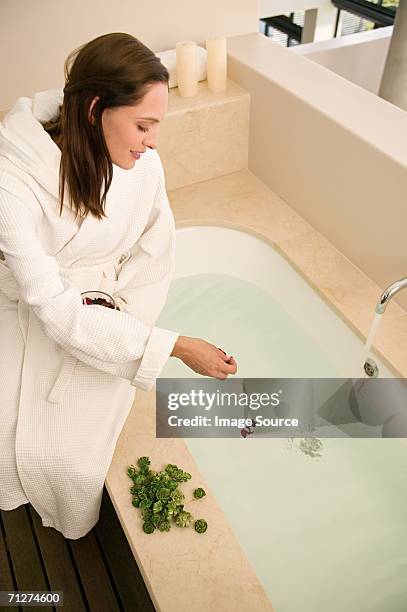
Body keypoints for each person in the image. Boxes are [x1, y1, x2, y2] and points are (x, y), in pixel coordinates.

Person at [0, 32, 237, 539]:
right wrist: (173, 345)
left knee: (78, 455)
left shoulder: (142, 162)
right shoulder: (12, 178)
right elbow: (52, 306)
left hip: (110, 311)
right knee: (22, 434)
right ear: (93, 109)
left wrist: (123, 315)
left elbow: (156, 251)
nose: (152, 142)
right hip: (30, 304)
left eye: (155, 126)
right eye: (143, 125)